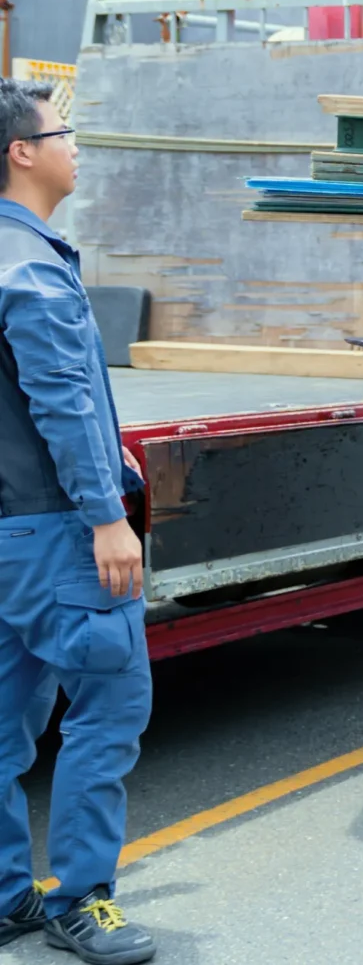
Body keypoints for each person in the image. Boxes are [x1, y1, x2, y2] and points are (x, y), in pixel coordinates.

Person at [0, 79, 156, 964]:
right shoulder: (31, 266)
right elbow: (56, 398)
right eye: (64, 133)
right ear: (22, 152)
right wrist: (106, 516)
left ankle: (6, 896)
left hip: (6, 535)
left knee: (1, 725)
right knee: (108, 705)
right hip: (59, 534)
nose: (75, 145)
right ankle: (84, 899)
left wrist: (112, 448)